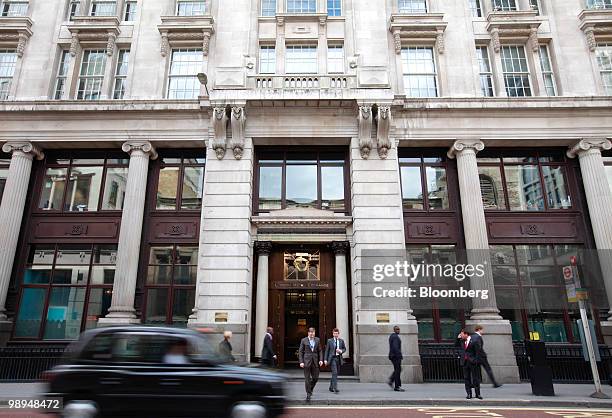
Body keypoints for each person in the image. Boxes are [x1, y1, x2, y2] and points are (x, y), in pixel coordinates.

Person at [298, 327, 323, 402]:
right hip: (306, 362)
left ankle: (310, 388)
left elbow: (320, 350)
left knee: (315, 378)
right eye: (310, 332)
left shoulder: (317, 340)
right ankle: (308, 394)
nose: (312, 334)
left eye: (313, 332)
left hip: (315, 362)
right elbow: (300, 352)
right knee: (307, 379)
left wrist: (321, 360)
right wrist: (301, 362)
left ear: (314, 333)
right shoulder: (304, 340)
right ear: (308, 333)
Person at [455, 329, 478, 399]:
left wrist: (475, 360)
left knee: (475, 378)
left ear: (466, 334)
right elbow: (456, 346)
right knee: (466, 378)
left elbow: (477, 351)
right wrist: (458, 339)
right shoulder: (461, 341)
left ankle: (477, 394)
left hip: (472, 361)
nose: (460, 336)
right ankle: (469, 394)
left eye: (461, 334)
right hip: (464, 362)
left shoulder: (473, 341)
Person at [324, 328, 346, 394]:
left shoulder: (341, 341)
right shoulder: (329, 341)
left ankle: (331, 387)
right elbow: (327, 351)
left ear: (338, 334)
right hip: (332, 358)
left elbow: (344, 349)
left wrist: (341, 351)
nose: (335, 335)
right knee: (335, 372)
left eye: (337, 333)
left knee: (335, 374)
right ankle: (335, 388)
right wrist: (325, 359)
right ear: (333, 334)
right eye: (334, 333)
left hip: (339, 358)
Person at [387, 325, 405, 392]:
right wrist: (399, 355)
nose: (398, 330)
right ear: (394, 330)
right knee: (398, 370)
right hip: (395, 356)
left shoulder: (393, 336)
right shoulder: (395, 337)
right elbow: (395, 347)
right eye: (397, 329)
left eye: (399, 329)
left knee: (398, 369)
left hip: (393, 356)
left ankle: (391, 381)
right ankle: (397, 387)